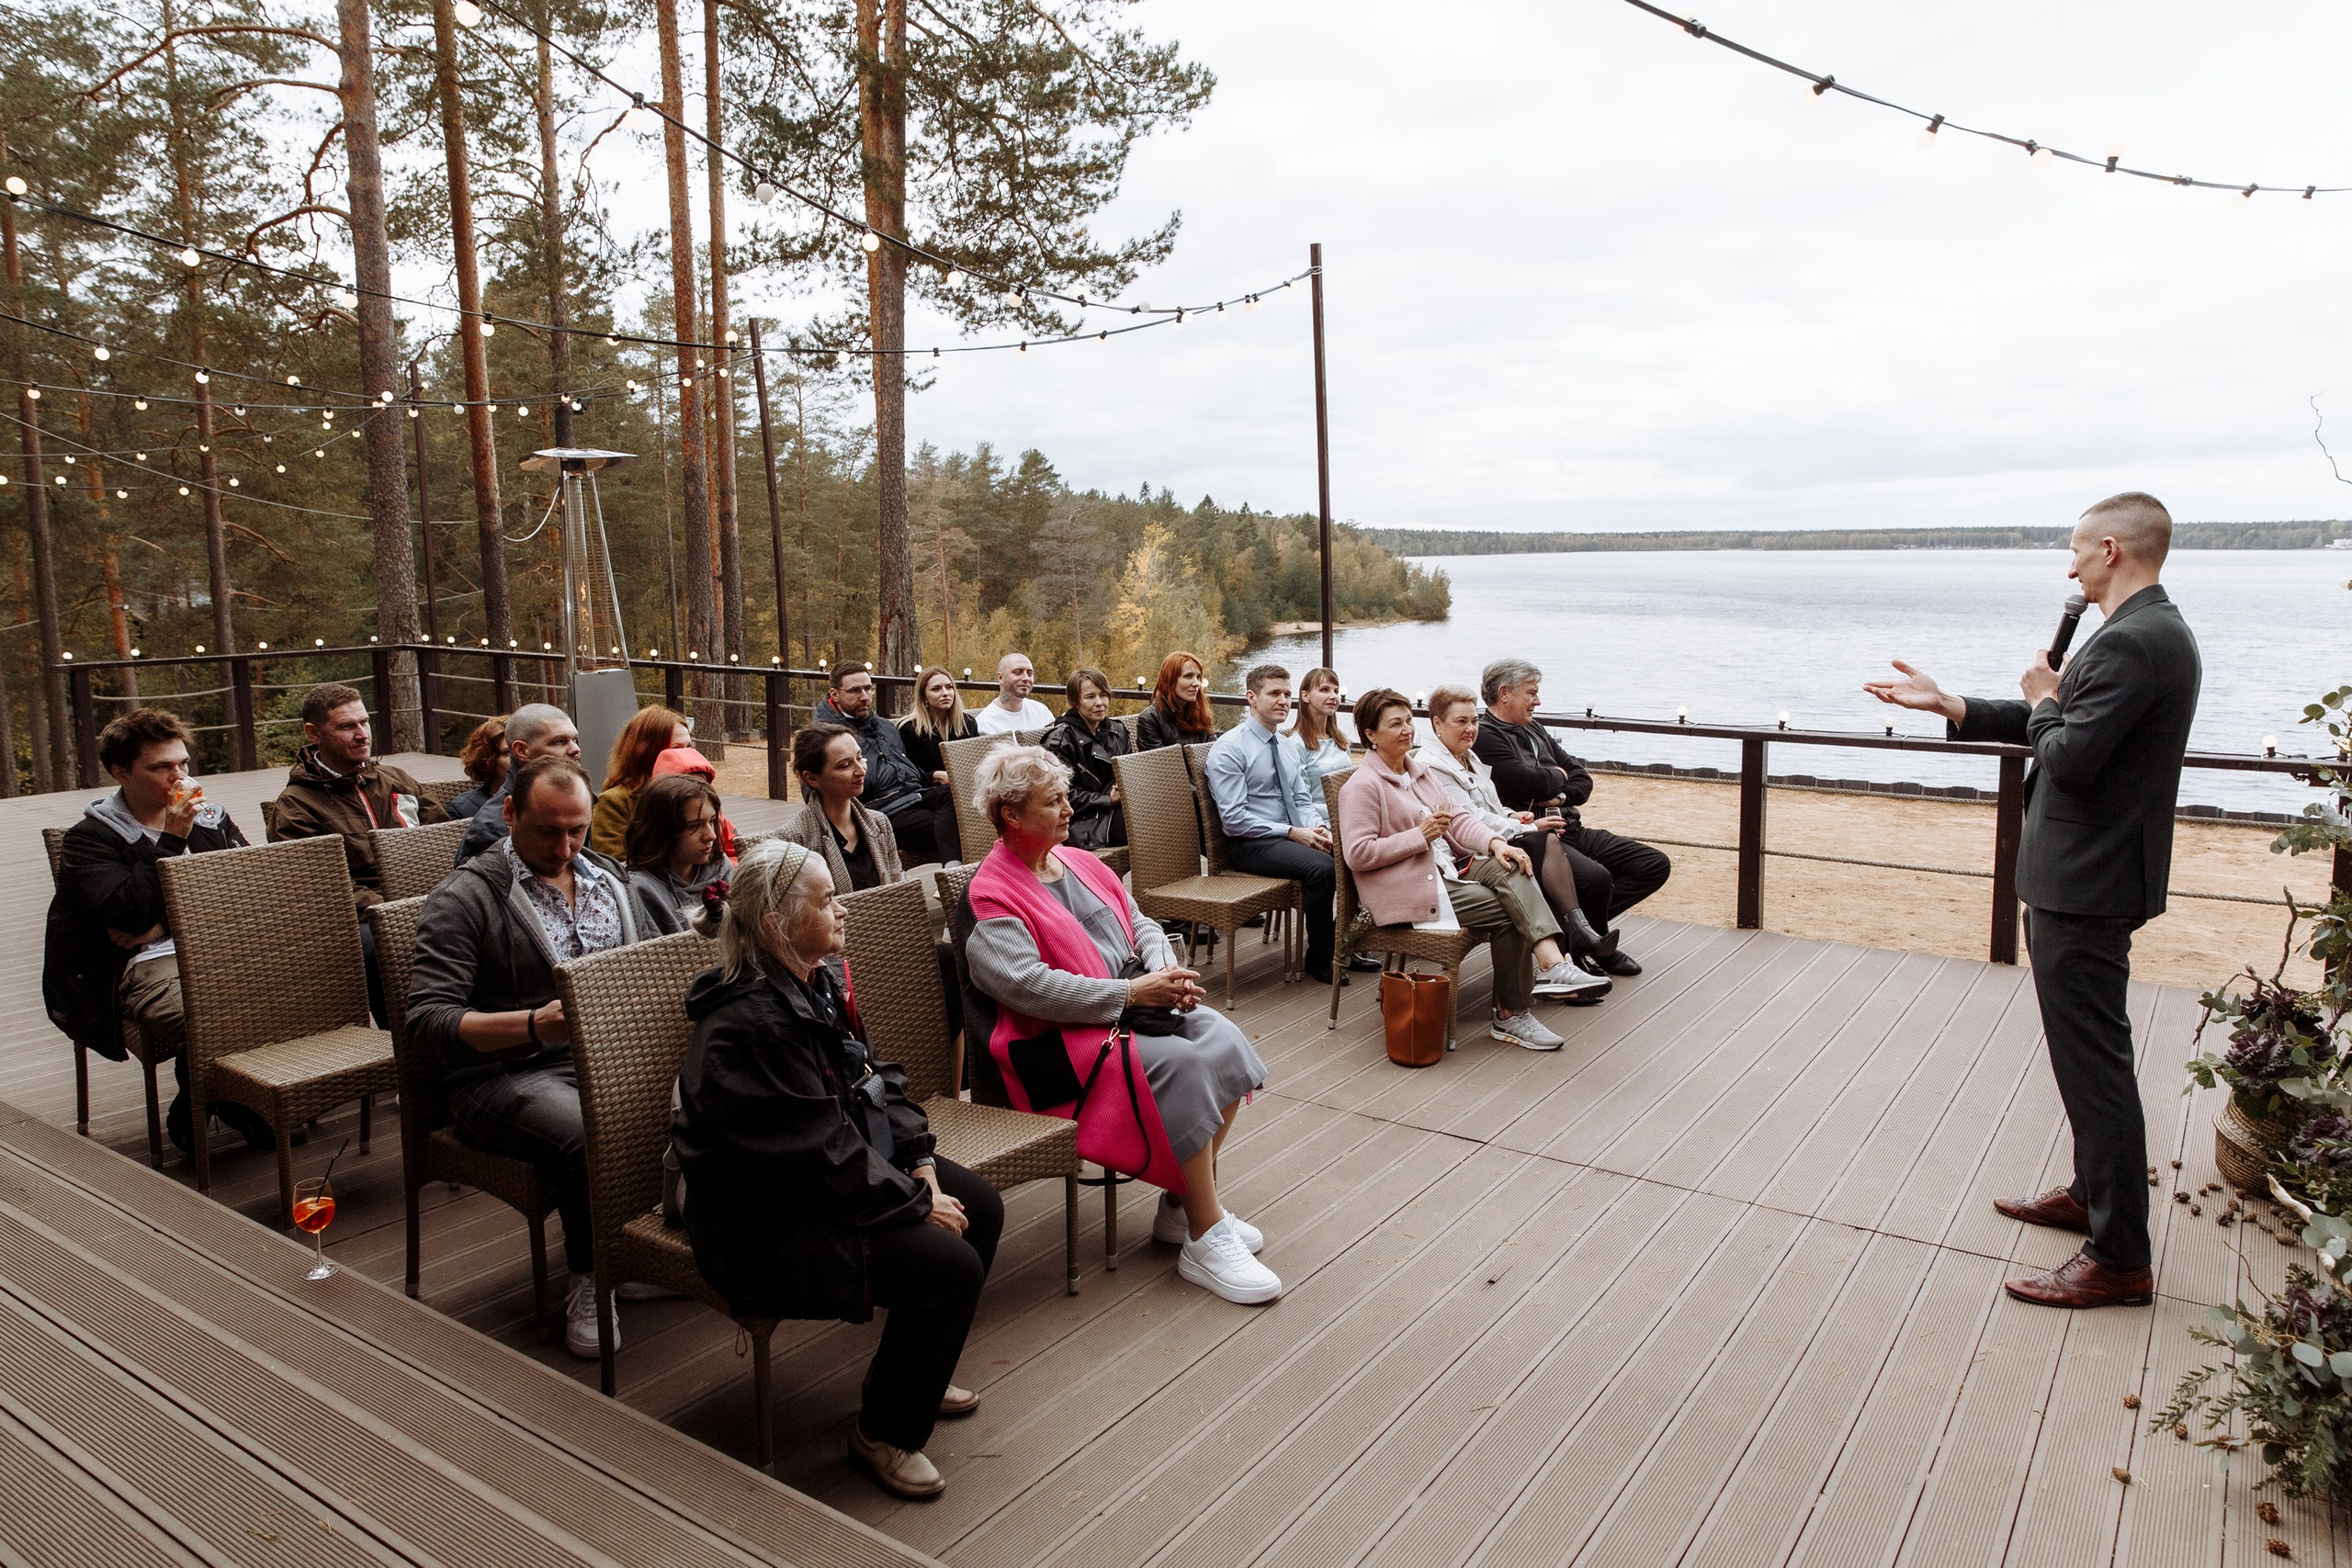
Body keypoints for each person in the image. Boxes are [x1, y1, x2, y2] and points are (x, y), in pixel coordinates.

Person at [1866, 491, 2199, 1311]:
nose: (2071, 563)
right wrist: (1955, 706)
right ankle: (2093, 1192)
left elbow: (2073, 752)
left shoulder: (2138, 640)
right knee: (2084, 1055)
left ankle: (2119, 1257)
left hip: (2087, 881)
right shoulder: (2142, 633)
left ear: (2113, 549)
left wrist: (2047, 696)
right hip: (2085, 874)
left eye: (2078, 548)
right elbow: (2061, 721)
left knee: (2095, 1066)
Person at [673, 838, 1001, 1500]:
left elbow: (876, 1078)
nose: (843, 909)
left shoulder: (814, 979)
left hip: (834, 1169)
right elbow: (811, 1156)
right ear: (775, 924)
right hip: (760, 1223)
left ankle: (908, 1379)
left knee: (981, 1209)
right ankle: (882, 1432)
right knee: (950, 1266)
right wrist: (914, 1204)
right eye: (827, 900)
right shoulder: (751, 1025)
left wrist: (919, 1161)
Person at [955, 746, 1278, 1305]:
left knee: (1223, 1041)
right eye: (1052, 802)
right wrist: (1129, 993)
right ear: (1010, 814)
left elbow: (1142, 922)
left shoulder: (1078, 860)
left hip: (1125, 1010)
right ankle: (1205, 1234)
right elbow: (1029, 989)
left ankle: (1180, 1210)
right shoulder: (990, 896)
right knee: (1182, 1064)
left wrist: (1161, 970)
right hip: (1053, 1046)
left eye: (1064, 798)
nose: (1068, 810)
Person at [409, 754, 648, 1359]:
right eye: (548, 830)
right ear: (509, 812)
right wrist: (535, 1025)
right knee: (594, 1131)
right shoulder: (465, 898)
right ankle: (592, 1275)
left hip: (608, 1060)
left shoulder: (610, 879)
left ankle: (644, 1245)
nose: (566, 846)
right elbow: (427, 1024)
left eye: (578, 828)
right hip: (501, 1075)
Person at [42, 707, 277, 1154]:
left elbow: (246, 888)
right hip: (138, 966)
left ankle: (208, 1097)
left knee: (288, 996)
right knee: (208, 1017)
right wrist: (171, 839)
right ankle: (221, 1105)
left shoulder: (210, 819)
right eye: (162, 767)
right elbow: (127, 918)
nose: (179, 777)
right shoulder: (89, 840)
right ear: (120, 772)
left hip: (214, 947)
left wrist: (162, 923)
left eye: (183, 764)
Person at [1340, 689, 1578, 1051]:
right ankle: (1512, 1014)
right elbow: (1358, 854)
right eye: (1395, 724)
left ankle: (1550, 964)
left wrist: (1497, 843)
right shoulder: (1362, 786)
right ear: (1371, 735)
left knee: (1512, 866)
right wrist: (1418, 837)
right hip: (1405, 889)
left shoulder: (1417, 771)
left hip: (1444, 870)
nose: (1407, 730)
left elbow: (1460, 819)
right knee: (1511, 908)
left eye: (1408, 721)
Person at [1473, 660, 1668, 977]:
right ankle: (1584, 947)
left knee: (1652, 864)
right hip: (1536, 835)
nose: (1538, 701)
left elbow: (1582, 779)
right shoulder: (1486, 735)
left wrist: (1560, 794)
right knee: (1596, 878)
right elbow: (1531, 782)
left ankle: (1584, 935)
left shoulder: (1534, 728)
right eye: (1531, 693)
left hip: (1570, 825)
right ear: (1504, 693)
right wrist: (1554, 778)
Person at [1419, 684, 1617, 988]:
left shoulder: (1466, 756)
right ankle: (1566, 950)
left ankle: (1568, 950)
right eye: (1461, 721)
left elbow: (1488, 807)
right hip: (1468, 852)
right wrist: (1527, 827)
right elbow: (1468, 819)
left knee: (1552, 854)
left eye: (1474, 721)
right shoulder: (1432, 765)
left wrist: (1512, 816)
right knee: (1544, 848)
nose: (1471, 729)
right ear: (1437, 724)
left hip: (1491, 839)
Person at [1204, 665, 1338, 984]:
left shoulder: (1287, 746)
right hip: (1249, 844)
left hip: (1289, 835)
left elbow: (1301, 800)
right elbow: (1235, 820)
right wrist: (1292, 832)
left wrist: (1318, 828)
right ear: (1251, 697)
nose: (1283, 701)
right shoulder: (1231, 748)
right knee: (1323, 868)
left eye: (1287, 694)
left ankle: (1349, 945)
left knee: (1349, 850)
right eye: (1274, 693)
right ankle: (1321, 959)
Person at [268, 682, 447, 907]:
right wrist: (395, 908)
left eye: (364, 722)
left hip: (430, 899)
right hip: (358, 919)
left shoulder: (397, 780)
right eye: (346, 727)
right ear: (314, 733)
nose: (362, 735)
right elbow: (322, 889)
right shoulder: (296, 806)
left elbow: (447, 845)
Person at [812, 665, 949, 864]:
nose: (865, 696)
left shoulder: (885, 726)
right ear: (834, 694)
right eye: (854, 691)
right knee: (959, 826)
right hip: (879, 812)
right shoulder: (826, 739)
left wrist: (930, 775)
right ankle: (960, 876)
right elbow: (816, 792)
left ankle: (956, 872)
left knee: (964, 804)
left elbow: (901, 767)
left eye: (868, 688)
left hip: (913, 796)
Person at [780, 723, 904, 900]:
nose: (861, 770)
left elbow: (898, 891)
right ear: (812, 778)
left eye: (860, 757)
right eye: (845, 765)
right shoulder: (793, 840)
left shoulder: (880, 823)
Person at [456, 703, 583, 863]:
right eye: (559, 741)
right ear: (522, 751)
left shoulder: (579, 800)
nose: (575, 749)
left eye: (574, 739)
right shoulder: (493, 828)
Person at [625, 773, 732, 935]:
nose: (711, 835)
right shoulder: (640, 888)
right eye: (694, 826)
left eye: (711, 821)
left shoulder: (720, 867)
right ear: (661, 831)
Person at [1041, 665, 1132, 851]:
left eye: (1103, 695)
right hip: (1082, 823)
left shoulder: (1118, 731)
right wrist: (1107, 799)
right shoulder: (1060, 740)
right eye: (1090, 697)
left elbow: (1130, 771)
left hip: (1119, 810)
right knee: (1148, 822)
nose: (1099, 702)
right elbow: (1057, 796)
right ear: (1075, 702)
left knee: (1166, 812)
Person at [898, 667, 979, 863]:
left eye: (949, 687)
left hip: (964, 788)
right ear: (924, 696)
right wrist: (934, 775)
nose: (945, 693)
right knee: (949, 796)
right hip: (927, 792)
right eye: (936, 689)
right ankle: (953, 867)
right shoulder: (910, 728)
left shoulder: (967, 723)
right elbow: (907, 772)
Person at [589, 705, 690, 861]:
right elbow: (615, 863)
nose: (687, 755)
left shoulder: (695, 795)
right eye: (676, 748)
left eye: (688, 747)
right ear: (647, 751)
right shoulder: (614, 802)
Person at [1286, 666, 1351, 829]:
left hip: (1349, 817)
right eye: (1324, 690)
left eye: (1335, 691)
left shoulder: (1340, 739)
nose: (1333, 696)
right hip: (1321, 824)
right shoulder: (1297, 744)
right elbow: (1301, 801)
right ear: (1305, 696)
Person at [1135, 650, 1216, 750]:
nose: (1197, 683)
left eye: (1198, 677)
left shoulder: (1202, 715)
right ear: (1170, 680)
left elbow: (1214, 754)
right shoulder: (1150, 719)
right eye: (1188, 676)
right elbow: (1157, 763)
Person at [973, 652, 1055, 735]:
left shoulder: (1042, 712)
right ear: (1000, 678)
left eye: (1029, 674)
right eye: (1018, 672)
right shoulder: (986, 724)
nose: (1026, 678)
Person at [447, 717, 509, 822]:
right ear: (488, 758)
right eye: (507, 753)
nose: (519, 757)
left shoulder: (540, 799)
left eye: (522, 749)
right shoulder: (462, 809)